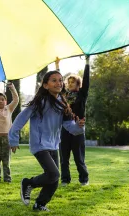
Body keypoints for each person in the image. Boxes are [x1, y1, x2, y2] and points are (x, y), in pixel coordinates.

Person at [8, 71, 85, 211]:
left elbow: (70, 127)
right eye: (54, 80)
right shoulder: (39, 102)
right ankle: (28, 183)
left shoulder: (62, 103)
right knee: (54, 174)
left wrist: (79, 126)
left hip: (53, 145)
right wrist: (13, 138)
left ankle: (39, 204)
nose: (59, 83)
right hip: (39, 144)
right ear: (45, 85)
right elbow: (21, 118)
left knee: (54, 180)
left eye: (60, 80)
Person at [56, 56, 90, 186]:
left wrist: (87, 62)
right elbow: (58, 81)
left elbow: (86, 80)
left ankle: (84, 179)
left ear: (78, 84)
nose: (69, 84)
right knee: (64, 157)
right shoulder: (63, 95)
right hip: (64, 128)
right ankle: (65, 180)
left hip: (78, 128)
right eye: (68, 82)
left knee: (79, 157)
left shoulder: (82, 95)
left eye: (73, 82)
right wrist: (58, 66)